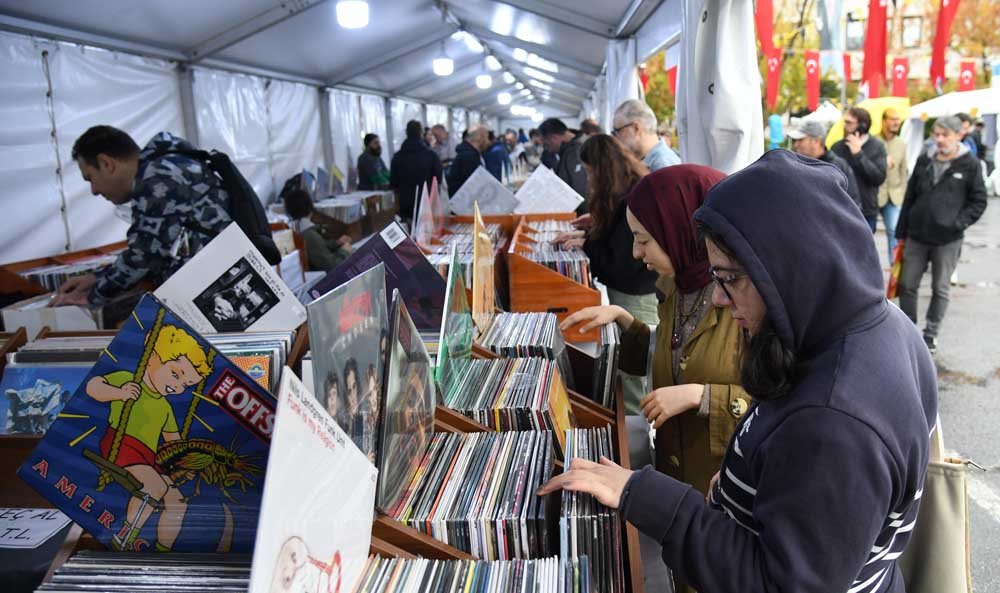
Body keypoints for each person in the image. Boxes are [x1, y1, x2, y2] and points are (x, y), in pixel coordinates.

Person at [542, 149, 937, 593]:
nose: (718, 298)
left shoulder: (834, 421)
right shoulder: (878, 326)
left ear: (789, 269)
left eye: (730, 278)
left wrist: (650, 498)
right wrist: (745, 480)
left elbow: (778, 583)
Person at [561, 163, 750, 593]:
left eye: (645, 239)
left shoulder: (747, 298)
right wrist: (626, 323)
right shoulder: (678, 287)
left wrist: (703, 397)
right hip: (680, 486)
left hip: (725, 495)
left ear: (684, 231)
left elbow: (784, 404)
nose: (634, 252)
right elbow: (679, 356)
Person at [52, 126, 233, 307]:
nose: (94, 191)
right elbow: (151, 247)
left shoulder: (158, 176)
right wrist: (96, 278)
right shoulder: (169, 165)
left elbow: (145, 255)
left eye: (90, 178)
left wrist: (91, 297)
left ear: (107, 163)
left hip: (222, 296)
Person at [86, 324, 213, 551]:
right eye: (175, 374)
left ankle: (164, 551)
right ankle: (125, 535)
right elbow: (93, 387)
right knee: (154, 486)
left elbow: (174, 444)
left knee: (177, 501)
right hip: (122, 446)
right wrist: (120, 393)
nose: (177, 386)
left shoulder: (165, 408)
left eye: (185, 384)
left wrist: (185, 463)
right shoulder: (128, 379)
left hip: (149, 459)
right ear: (152, 356)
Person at [896, 115, 988, 355]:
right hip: (917, 235)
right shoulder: (925, 159)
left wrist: (958, 223)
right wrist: (901, 231)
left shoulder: (970, 164)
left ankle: (931, 333)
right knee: (907, 284)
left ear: (959, 135)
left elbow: (978, 201)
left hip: (947, 239)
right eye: (936, 134)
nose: (939, 139)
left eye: (944, 135)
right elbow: (909, 197)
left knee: (940, 287)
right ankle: (909, 332)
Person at [831, 106, 887, 232]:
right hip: (841, 207)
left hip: (866, 210)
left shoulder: (877, 147)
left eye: (849, 123)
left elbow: (878, 178)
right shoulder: (838, 147)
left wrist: (858, 154)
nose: (845, 126)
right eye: (845, 122)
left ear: (863, 126)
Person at [789, 120, 861, 210]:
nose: (796, 144)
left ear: (816, 141)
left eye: (800, 140)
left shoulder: (836, 167)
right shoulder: (797, 165)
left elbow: (853, 202)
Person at [282, 189, 352, 272]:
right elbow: (331, 266)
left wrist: (336, 243)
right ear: (309, 205)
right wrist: (345, 251)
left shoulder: (297, 229)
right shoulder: (309, 234)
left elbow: (318, 249)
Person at [390, 120, 443, 222]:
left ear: (406, 133)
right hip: (426, 203)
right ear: (421, 133)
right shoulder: (431, 155)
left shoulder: (397, 157)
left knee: (408, 233)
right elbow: (438, 181)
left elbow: (393, 183)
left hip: (405, 204)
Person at [612, 100, 681, 171]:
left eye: (617, 131)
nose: (615, 138)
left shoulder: (662, 165)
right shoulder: (652, 162)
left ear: (636, 128)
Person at [878, 108, 909, 262]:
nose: (897, 122)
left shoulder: (901, 143)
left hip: (895, 195)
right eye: (893, 119)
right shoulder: (873, 141)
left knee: (893, 231)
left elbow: (904, 171)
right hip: (875, 194)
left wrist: (902, 193)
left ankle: (893, 270)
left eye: (898, 119)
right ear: (884, 121)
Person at [538, 118, 588, 212]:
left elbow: (580, 191)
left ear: (554, 138)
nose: (549, 150)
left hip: (583, 215)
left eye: (547, 145)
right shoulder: (568, 150)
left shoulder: (579, 151)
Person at [446, 125, 489, 194]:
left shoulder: (468, 153)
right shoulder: (469, 157)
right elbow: (475, 187)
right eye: (486, 137)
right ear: (479, 138)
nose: (488, 141)